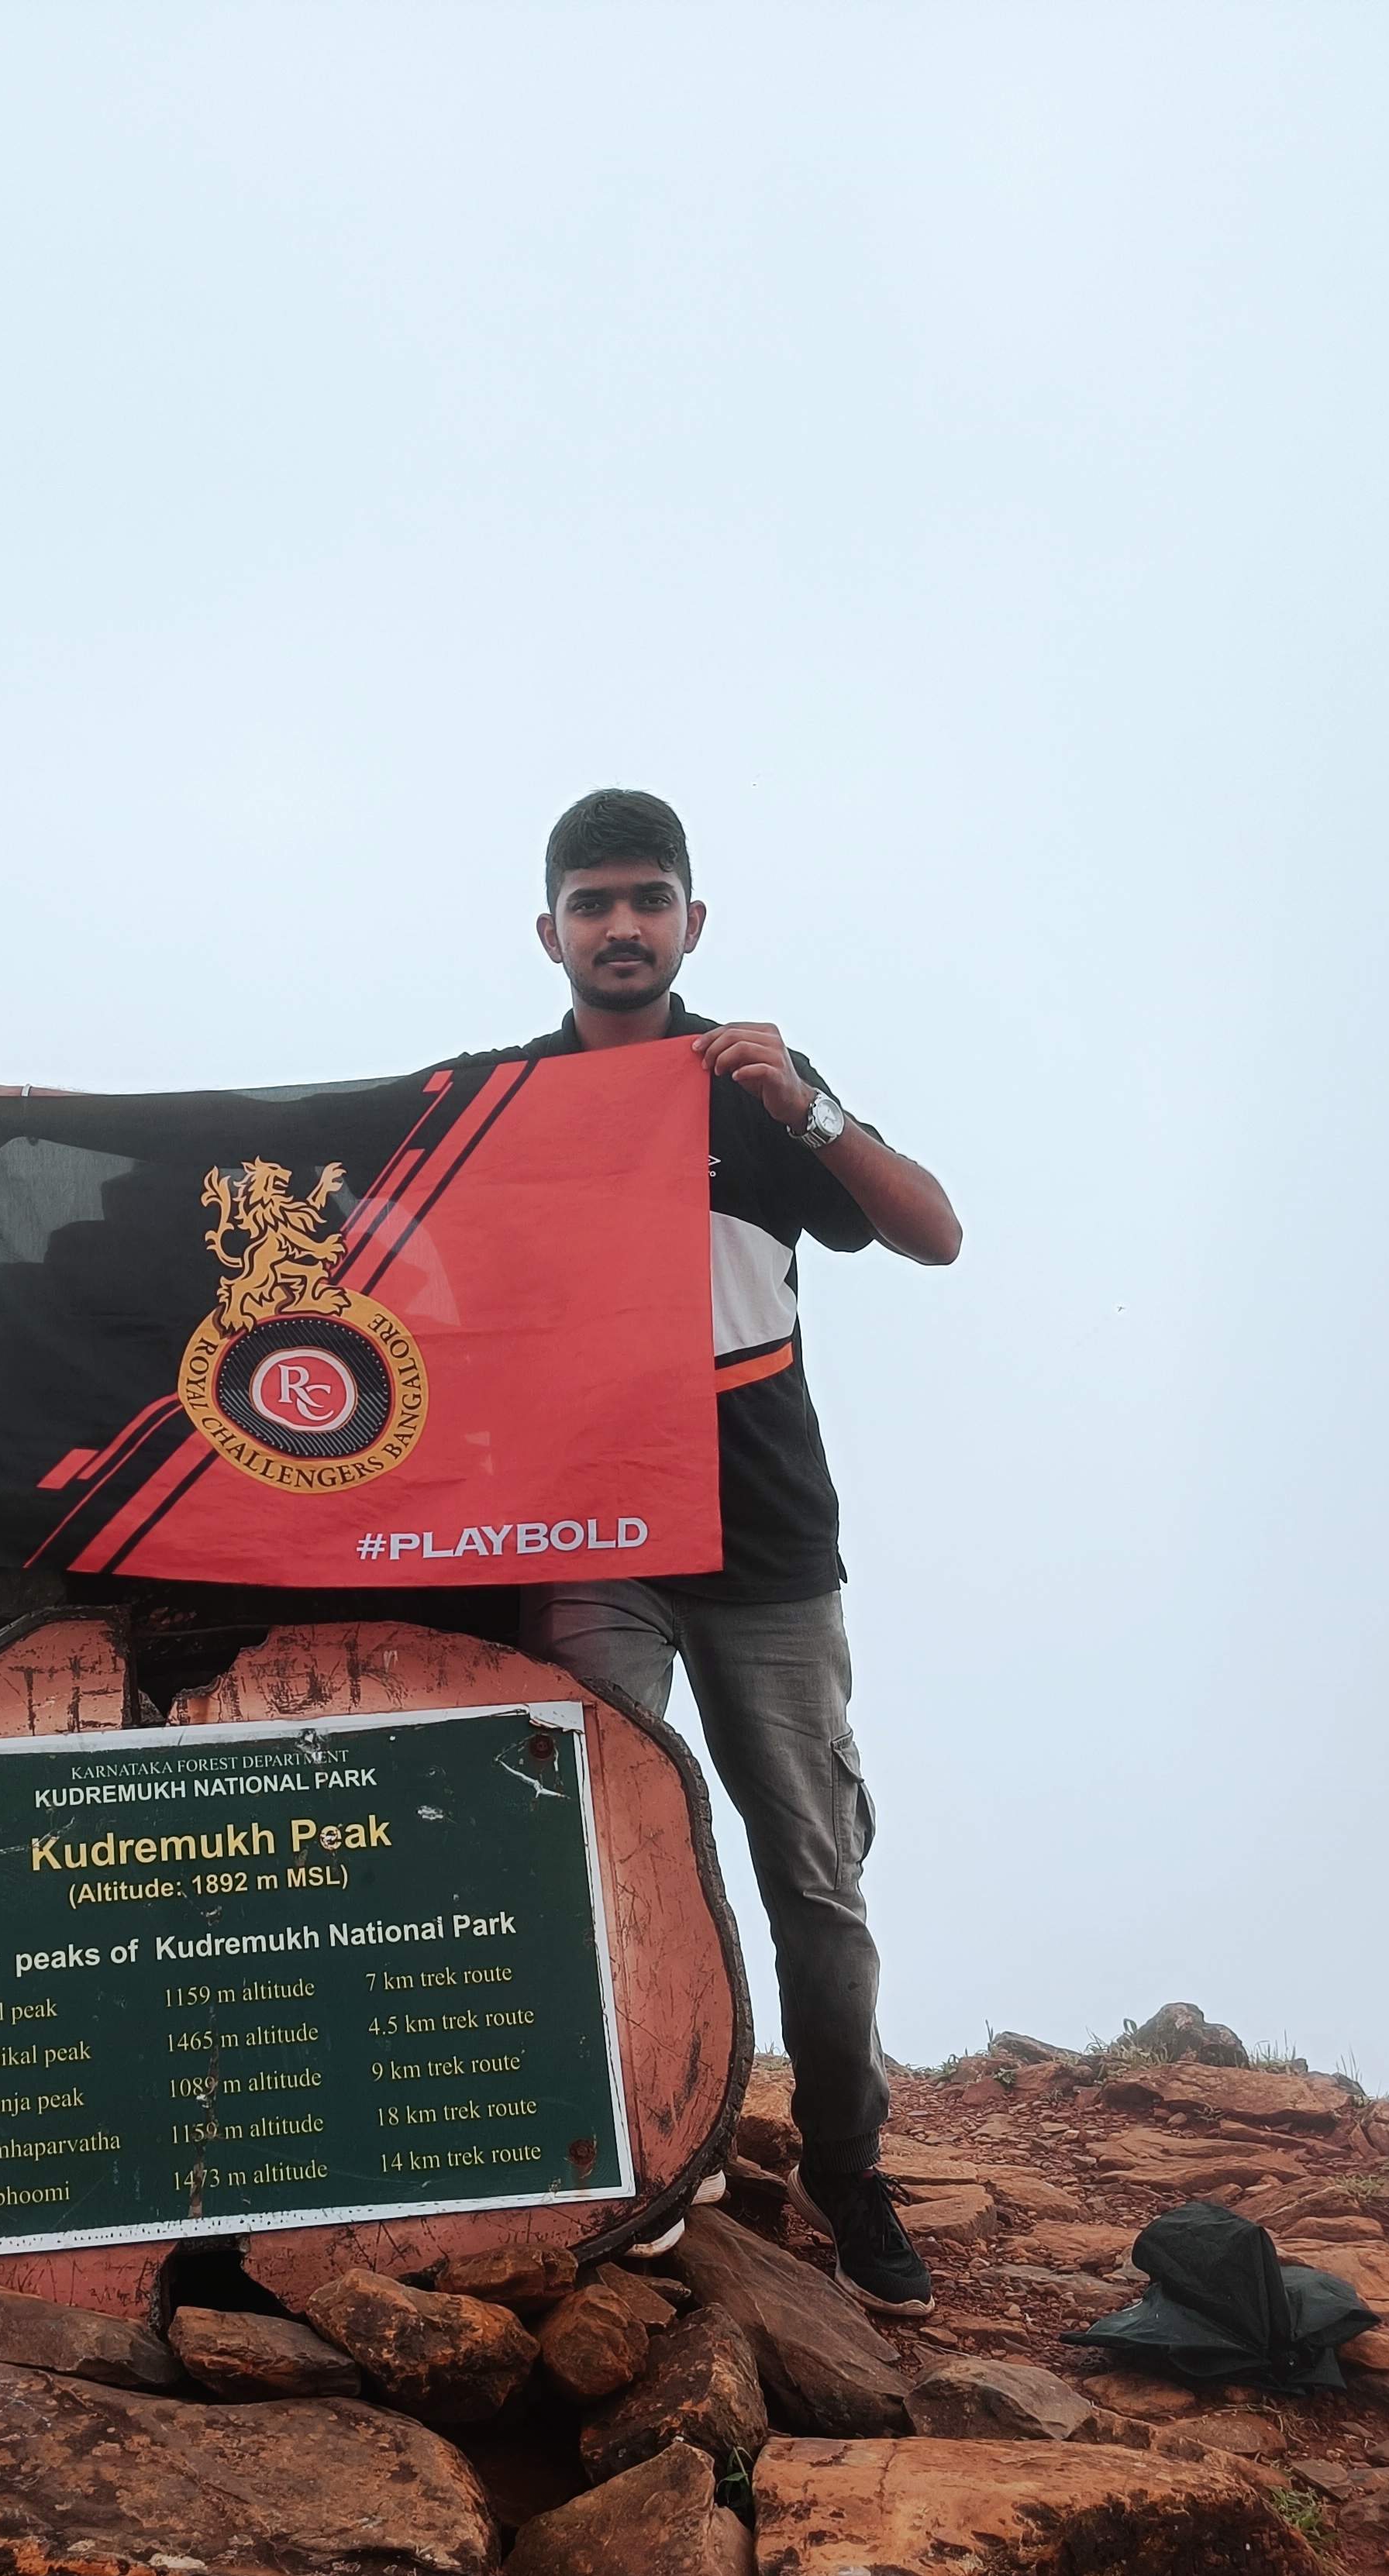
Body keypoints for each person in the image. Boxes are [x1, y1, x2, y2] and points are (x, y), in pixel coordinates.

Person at [471, 787, 963, 2315]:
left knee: (814, 1878)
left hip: (766, 1546)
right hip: (593, 1536)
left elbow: (934, 1230)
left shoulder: (760, 1086)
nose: (622, 925)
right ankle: (624, 2156)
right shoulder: (496, 1099)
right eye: (593, 901)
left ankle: (846, 2161)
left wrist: (802, 1103)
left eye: (649, 898)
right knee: (594, 1856)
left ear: (693, 920)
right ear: (546, 928)